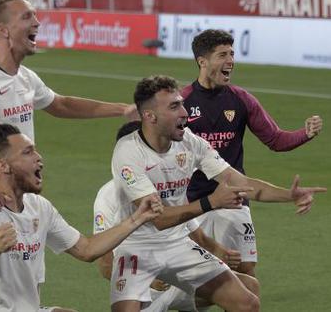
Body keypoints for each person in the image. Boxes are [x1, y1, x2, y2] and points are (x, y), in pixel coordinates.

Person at [109, 75, 326, 311]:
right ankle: (166, 300)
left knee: (247, 303)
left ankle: (172, 298)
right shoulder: (128, 152)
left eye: (181, 103)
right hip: (137, 248)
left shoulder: (190, 141)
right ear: (150, 116)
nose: (184, 112)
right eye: (174, 107)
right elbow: (158, 219)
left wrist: (289, 195)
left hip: (178, 244)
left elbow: (239, 181)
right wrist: (211, 201)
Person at [0, 0, 137, 212]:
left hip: (21, 196)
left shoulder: (25, 77)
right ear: (2, 30)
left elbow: (61, 104)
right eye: (26, 17)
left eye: (34, 15)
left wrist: (122, 109)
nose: (37, 22)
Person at [0, 124, 163, 311]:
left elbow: (87, 249)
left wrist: (137, 218)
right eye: (28, 152)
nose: (39, 157)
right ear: (3, 166)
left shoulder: (39, 207)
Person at [182, 29, 324, 276]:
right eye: (222, 55)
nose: (231, 61)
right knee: (193, 280)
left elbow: (276, 139)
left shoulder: (241, 100)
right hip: (192, 203)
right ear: (202, 61)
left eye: (232, 54)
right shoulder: (182, 102)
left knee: (245, 273)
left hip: (236, 198)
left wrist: (305, 133)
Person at [93, 121, 258, 312]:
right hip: (146, 287)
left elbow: (198, 236)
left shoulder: (168, 186)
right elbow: (105, 263)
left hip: (175, 280)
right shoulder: (108, 197)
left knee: (249, 287)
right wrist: (151, 281)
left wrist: (221, 253)